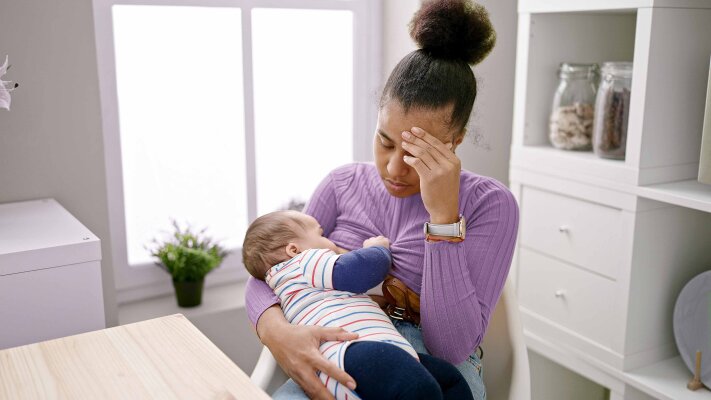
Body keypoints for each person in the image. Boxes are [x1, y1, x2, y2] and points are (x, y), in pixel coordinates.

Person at [244, 0, 519, 399]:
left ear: (455, 142)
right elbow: (266, 270)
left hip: (437, 371)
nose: (393, 169)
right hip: (340, 348)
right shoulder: (341, 184)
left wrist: (443, 217)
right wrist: (278, 335)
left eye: (415, 154)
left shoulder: (490, 204)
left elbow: (451, 346)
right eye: (385, 141)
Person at [242, 210, 474, 400]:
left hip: (343, 366)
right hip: (355, 350)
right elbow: (359, 271)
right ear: (294, 249)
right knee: (421, 390)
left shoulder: (282, 285)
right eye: (322, 234)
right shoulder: (305, 262)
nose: (330, 242)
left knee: (449, 381)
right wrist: (377, 248)